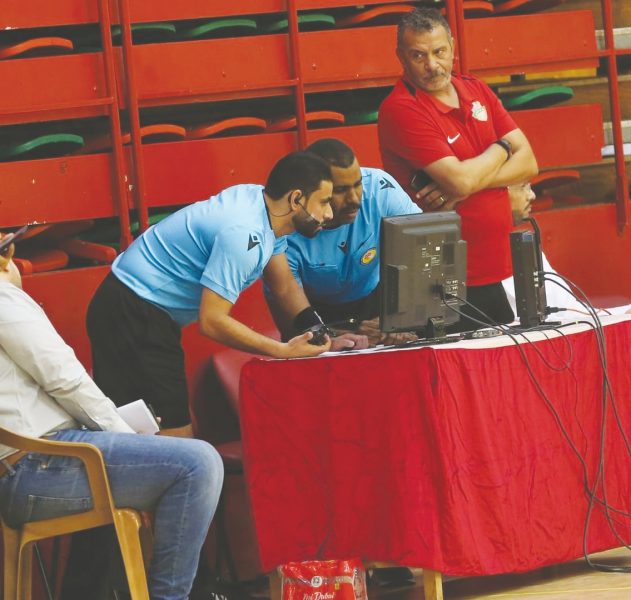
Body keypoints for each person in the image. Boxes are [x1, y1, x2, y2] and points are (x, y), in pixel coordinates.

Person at [0, 237, 224, 600]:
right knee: (197, 463)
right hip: (37, 465)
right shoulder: (4, 299)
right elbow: (65, 380)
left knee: (174, 462)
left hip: (26, 468)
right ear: (7, 255)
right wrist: (128, 438)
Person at [87, 151, 336, 439]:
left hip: (133, 307)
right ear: (296, 199)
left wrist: (320, 332)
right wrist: (281, 351)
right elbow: (212, 321)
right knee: (176, 443)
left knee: (140, 434)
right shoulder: (244, 234)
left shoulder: (264, 206)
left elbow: (284, 286)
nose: (329, 214)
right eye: (324, 202)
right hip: (133, 313)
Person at [378, 7, 538, 331]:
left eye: (439, 51)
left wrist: (470, 181)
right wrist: (502, 147)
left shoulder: (476, 88)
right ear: (401, 57)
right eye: (418, 55)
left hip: (495, 268)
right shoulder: (401, 109)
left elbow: (529, 162)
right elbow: (461, 180)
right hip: (440, 277)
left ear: (452, 45)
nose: (432, 65)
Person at [266, 138, 422, 347]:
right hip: (313, 310)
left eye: (358, 184)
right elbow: (290, 324)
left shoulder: (380, 190)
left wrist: (401, 315)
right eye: (340, 190)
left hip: (377, 296)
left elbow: (425, 250)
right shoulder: (281, 229)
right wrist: (335, 337)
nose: (355, 199)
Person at [504, 183, 631, 321]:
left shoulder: (528, 248)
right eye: (523, 187)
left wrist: (623, 313)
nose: (532, 195)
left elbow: (569, 309)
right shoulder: (493, 257)